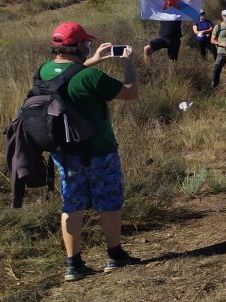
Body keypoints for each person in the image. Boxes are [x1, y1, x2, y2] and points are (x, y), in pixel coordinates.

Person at [42, 22, 140, 281]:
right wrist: (128, 63)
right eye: (87, 43)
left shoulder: (44, 71)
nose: (89, 46)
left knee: (71, 204)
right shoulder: (90, 77)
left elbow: (65, 80)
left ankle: (73, 264)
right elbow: (130, 93)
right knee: (108, 203)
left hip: (64, 154)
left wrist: (93, 61)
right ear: (76, 46)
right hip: (99, 150)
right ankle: (114, 256)